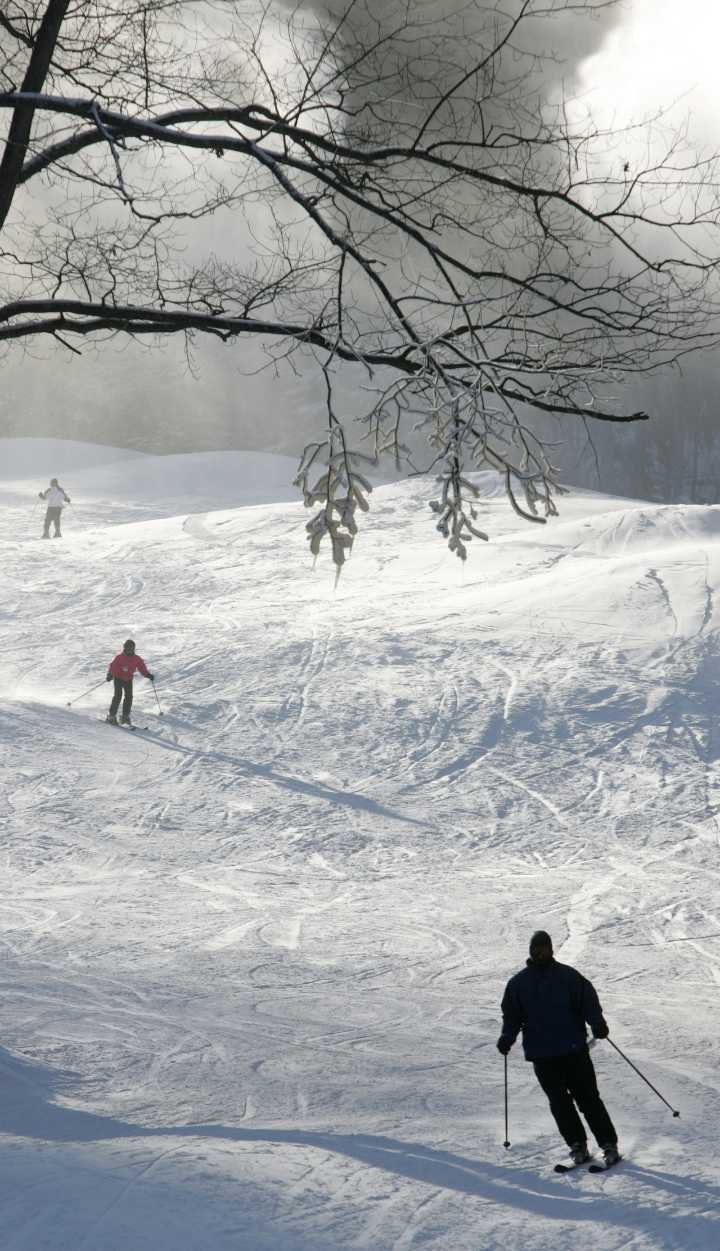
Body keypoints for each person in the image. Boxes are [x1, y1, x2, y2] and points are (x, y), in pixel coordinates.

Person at [497, 930, 620, 1168]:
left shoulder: (568, 977)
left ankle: (608, 1144)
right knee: (559, 1102)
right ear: (531, 951)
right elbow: (512, 1015)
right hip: (542, 1054)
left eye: (544, 948)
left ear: (551, 949)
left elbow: (588, 1000)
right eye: (536, 949)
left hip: (573, 1049)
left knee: (588, 1099)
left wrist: (597, 1022)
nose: (540, 952)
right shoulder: (518, 984)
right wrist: (506, 1037)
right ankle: (577, 1144)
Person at [105, 639, 155, 726]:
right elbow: (113, 666)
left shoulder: (136, 659)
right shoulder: (119, 657)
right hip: (118, 678)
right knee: (118, 696)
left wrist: (147, 675)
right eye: (127, 648)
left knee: (129, 697)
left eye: (131, 648)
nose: (129, 650)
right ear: (124, 648)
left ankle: (125, 717)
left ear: (133, 649)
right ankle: (111, 716)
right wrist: (110, 674)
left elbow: (141, 667)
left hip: (128, 679)